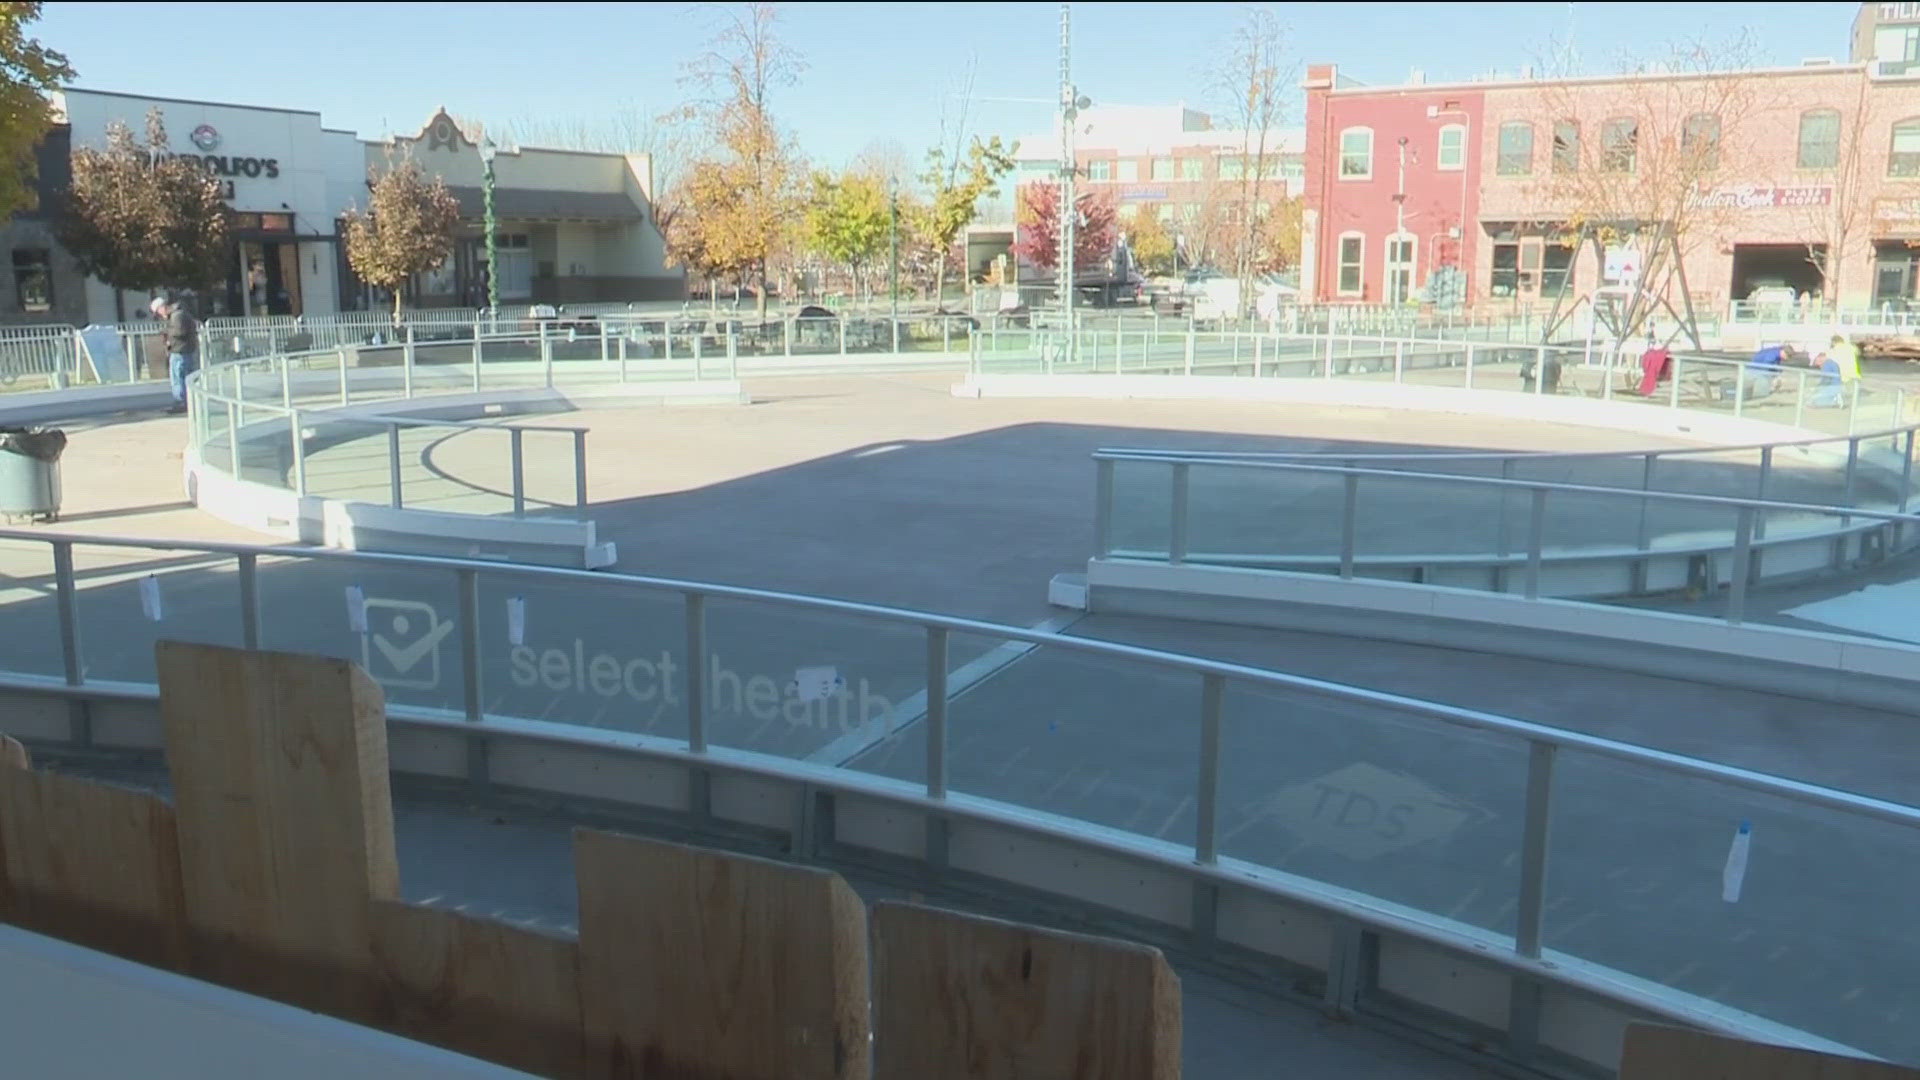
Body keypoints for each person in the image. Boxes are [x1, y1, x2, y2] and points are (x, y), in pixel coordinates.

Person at [153, 293, 199, 414]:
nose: (159, 315)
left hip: (180, 350)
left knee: (178, 377)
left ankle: (181, 402)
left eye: (158, 312)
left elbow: (180, 332)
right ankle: (186, 402)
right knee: (184, 376)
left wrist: (167, 333)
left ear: (162, 307)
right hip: (183, 350)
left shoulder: (177, 316)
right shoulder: (178, 314)